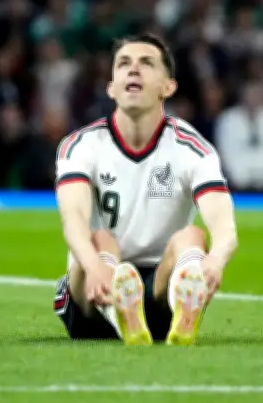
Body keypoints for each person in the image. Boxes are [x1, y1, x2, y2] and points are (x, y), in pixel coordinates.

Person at [52, 34, 238, 346]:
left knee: (192, 237)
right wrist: (94, 266)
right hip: (94, 288)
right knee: (101, 239)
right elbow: (73, 220)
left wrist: (215, 262)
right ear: (111, 87)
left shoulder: (192, 149)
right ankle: (119, 309)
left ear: (168, 87)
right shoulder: (81, 145)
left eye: (146, 63)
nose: (133, 69)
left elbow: (224, 226)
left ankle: (179, 305)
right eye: (124, 64)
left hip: (159, 288)